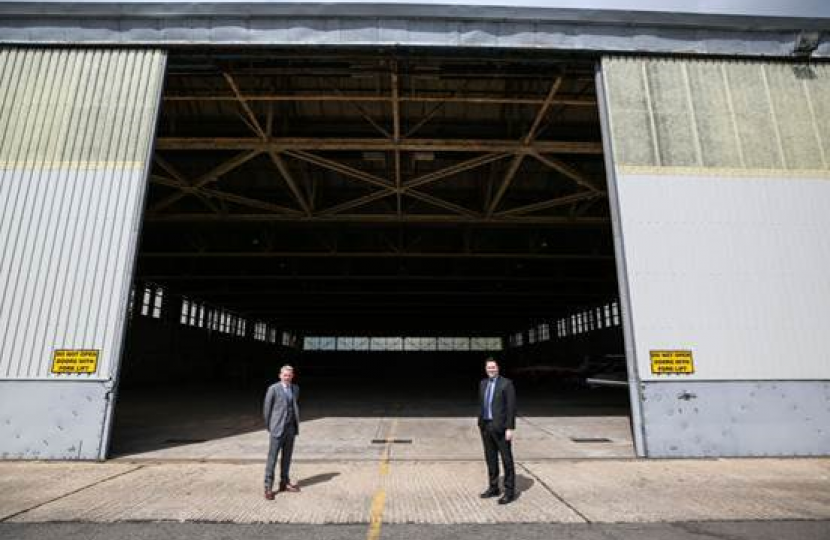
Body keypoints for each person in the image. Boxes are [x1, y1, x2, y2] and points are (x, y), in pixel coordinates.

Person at [477, 357, 517, 504]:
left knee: (507, 460)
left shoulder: (506, 384)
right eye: (488, 367)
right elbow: (482, 404)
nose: (491, 370)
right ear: (485, 369)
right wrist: (480, 423)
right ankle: (493, 488)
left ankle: (509, 492)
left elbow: (511, 408)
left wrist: (510, 428)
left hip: (501, 428)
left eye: (493, 367)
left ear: (498, 368)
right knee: (491, 459)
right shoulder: (482, 384)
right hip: (486, 427)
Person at [263, 364, 301, 500]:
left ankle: (284, 483)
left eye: (289, 375)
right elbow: (267, 410)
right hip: (277, 429)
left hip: (290, 429)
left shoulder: (295, 388)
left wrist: (294, 426)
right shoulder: (273, 389)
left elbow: (294, 406)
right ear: (280, 375)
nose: (287, 377)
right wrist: (270, 427)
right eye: (285, 375)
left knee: (287, 458)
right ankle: (268, 487)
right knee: (272, 459)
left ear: (292, 376)